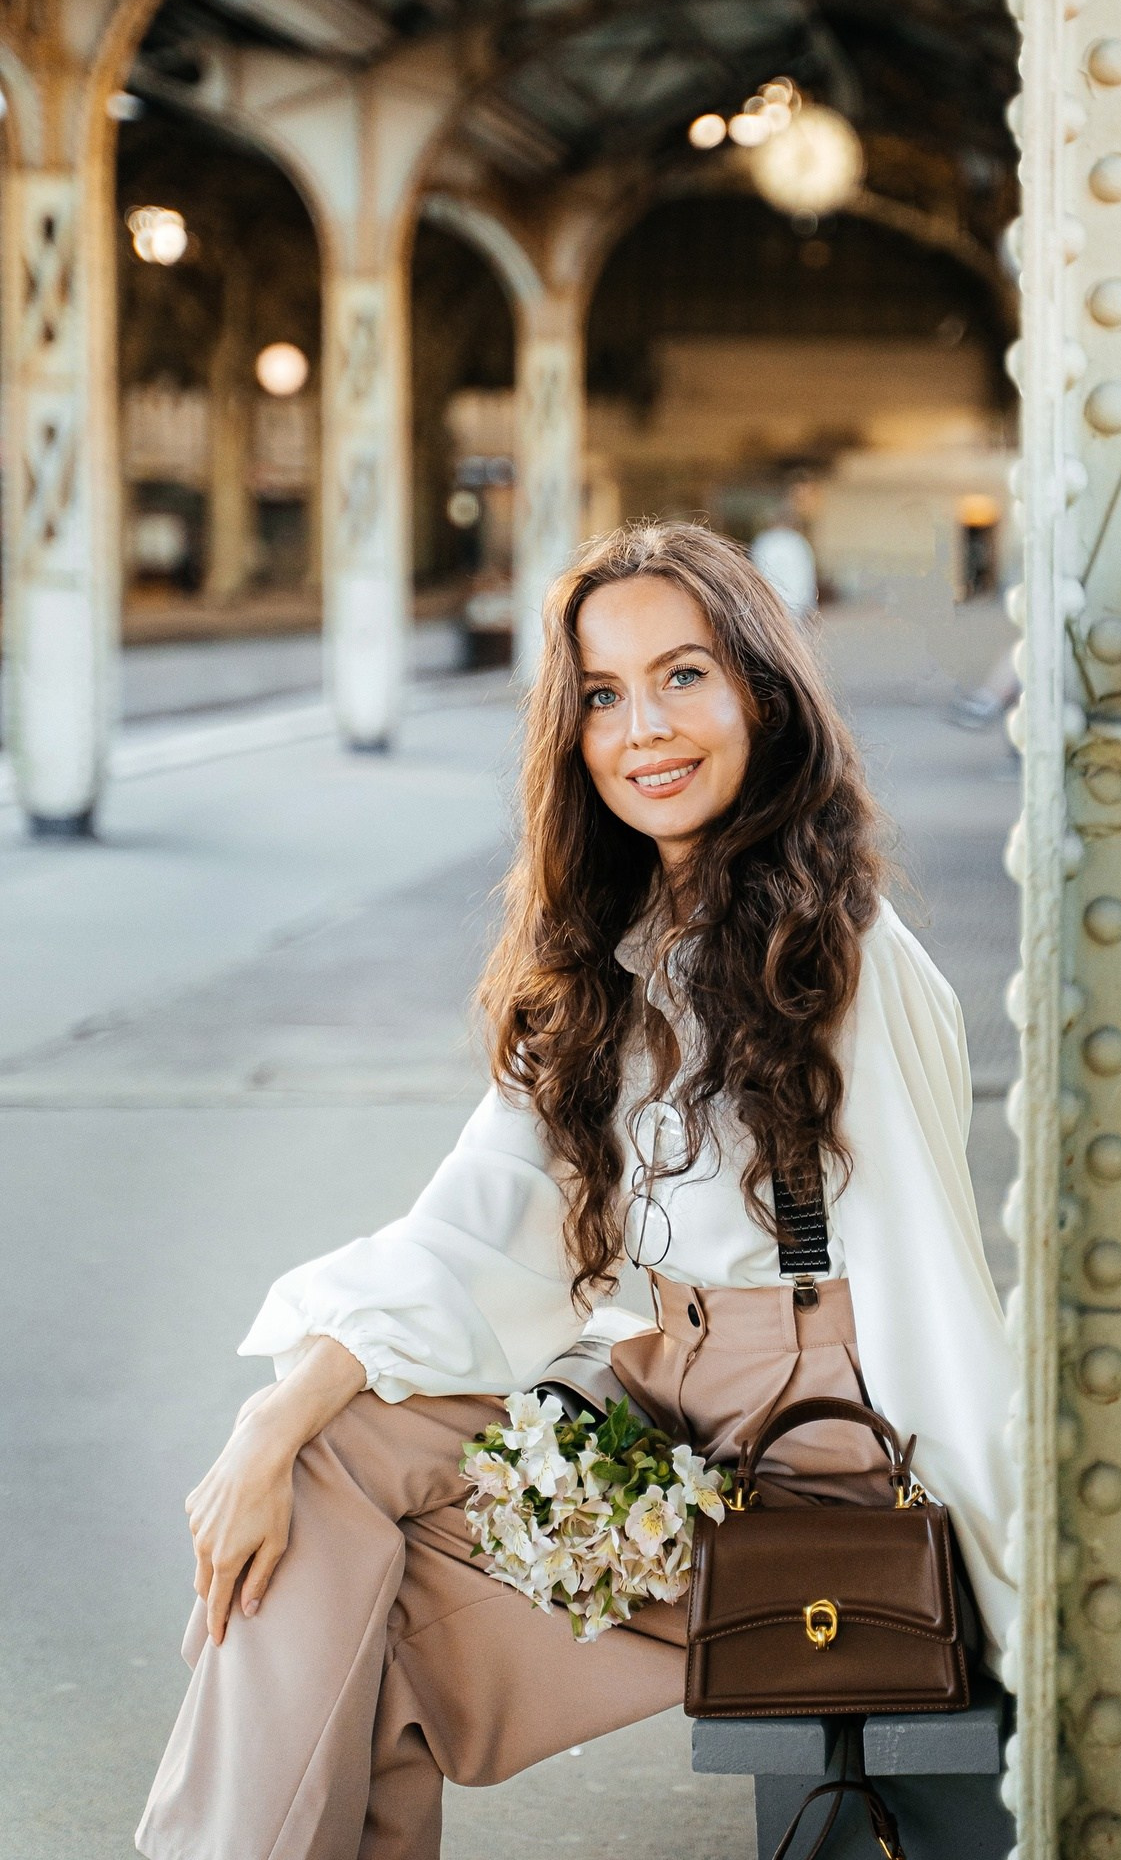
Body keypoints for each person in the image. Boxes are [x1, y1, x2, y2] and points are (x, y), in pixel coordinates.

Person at [137, 521, 1015, 1860]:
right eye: (601, 695)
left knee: (359, 1648)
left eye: (683, 677)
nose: (641, 729)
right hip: (657, 1420)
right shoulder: (622, 955)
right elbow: (477, 1230)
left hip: (800, 1463)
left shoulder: (841, 957)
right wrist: (271, 1422)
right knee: (323, 1483)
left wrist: (1026, 1614)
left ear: (763, 698)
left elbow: (928, 1295)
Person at [749, 504, 819, 618]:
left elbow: (757, 572)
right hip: (796, 602)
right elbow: (806, 574)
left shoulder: (765, 541)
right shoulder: (797, 541)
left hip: (772, 602)